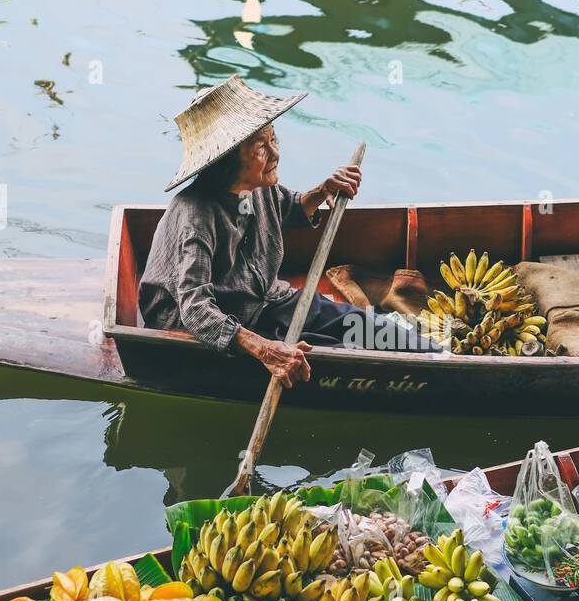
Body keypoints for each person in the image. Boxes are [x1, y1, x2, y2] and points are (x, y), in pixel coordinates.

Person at [139, 75, 436, 389]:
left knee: (370, 328)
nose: (274, 153)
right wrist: (268, 350)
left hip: (266, 298)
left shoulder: (256, 186)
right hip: (220, 324)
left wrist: (324, 190)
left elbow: (290, 207)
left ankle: (443, 360)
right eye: (260, 149)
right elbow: (196, 310)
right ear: (227, 163)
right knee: (336, 358)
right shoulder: (195, 218)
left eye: (273, 140)